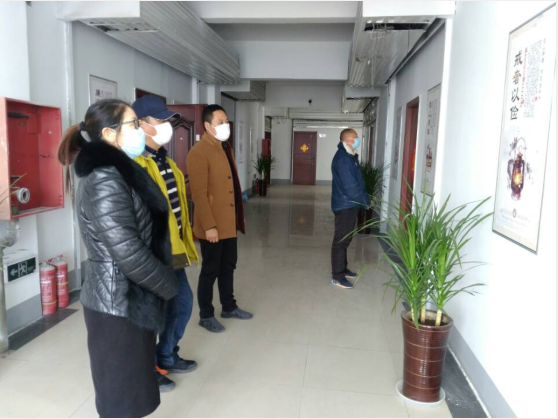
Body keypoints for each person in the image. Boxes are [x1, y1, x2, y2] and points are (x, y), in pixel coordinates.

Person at [57, 98, 178, 418]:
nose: (140, 130)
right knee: (121, 397)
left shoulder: (120, 171)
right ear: (110, 134)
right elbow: (127, 251)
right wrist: (168, 285)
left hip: (131, 297)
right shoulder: (104, 179)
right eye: (134, 124)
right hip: (117, 303)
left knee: (131, 391)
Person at [131, 95, 200, 393]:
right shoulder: (134, 164)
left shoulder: (167, 162)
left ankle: (167, 355)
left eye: (167, 120)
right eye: (160, 120)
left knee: (182, 305)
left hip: (174, 251)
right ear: (141, 125)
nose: (167, 125)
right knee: (150, 316)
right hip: (151, 256)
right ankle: (146, 371)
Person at [187, 104, 253, 333]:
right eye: (220, 122)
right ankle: (206, 315)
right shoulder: (199, 152)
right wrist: (210, 226)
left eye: (226, 121)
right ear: (207, 126)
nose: (226, 125)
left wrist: (236, 216)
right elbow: (199, 194)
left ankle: (229, 306)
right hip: (212, 224)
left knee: (228, 266)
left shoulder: (225, 147)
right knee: (210, 270)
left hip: (228, 222)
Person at [330, 128, 371, 289]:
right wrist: (365, 201)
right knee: (340, 241)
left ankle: (343, 268)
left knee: (345, 239)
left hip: (350, 204)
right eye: (355, 138)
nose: (357, 140)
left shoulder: (349, 156)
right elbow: (351, 186)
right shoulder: (343, 160)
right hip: (345, 205)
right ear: (347, 140)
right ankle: (337, 277)